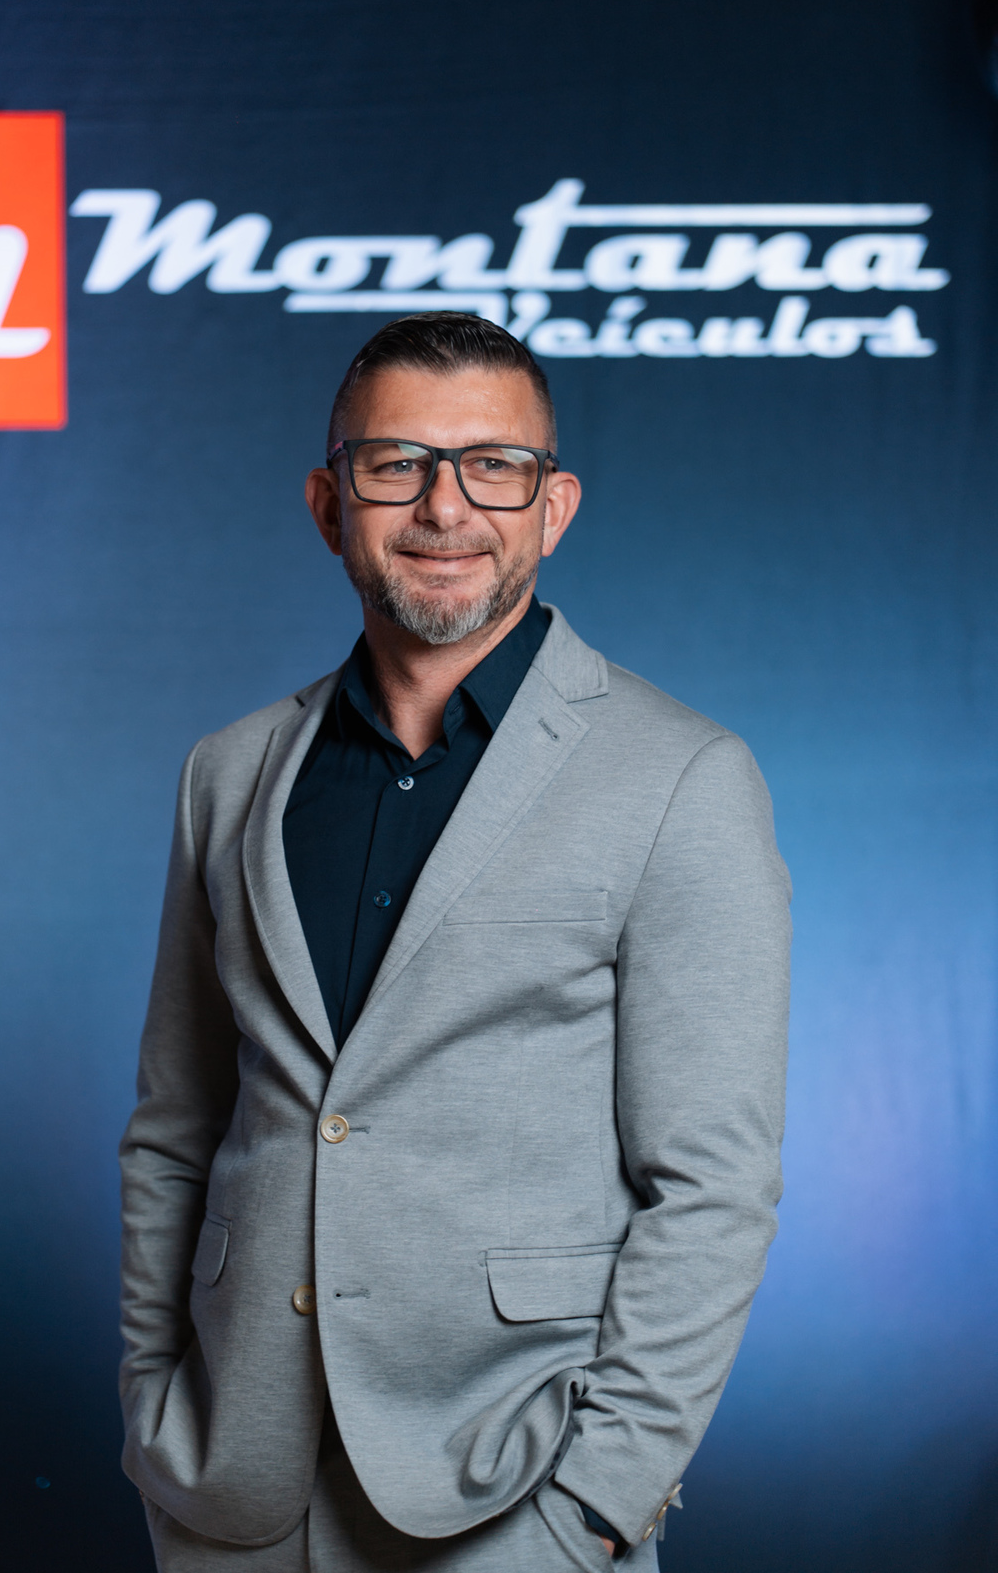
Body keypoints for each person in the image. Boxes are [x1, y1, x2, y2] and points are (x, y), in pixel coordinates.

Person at [119, 312, 790, 1572]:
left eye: (495, 466)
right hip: (233, 1493)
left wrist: (598, 1504)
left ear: (554, 508)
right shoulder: (230, 772)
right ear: (330, 504)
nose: (445, 507)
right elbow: (177, 1128)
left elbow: (712, 1187)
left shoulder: (681, 776)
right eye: (396, 465)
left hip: (514, 1499)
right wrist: (158, 1411)